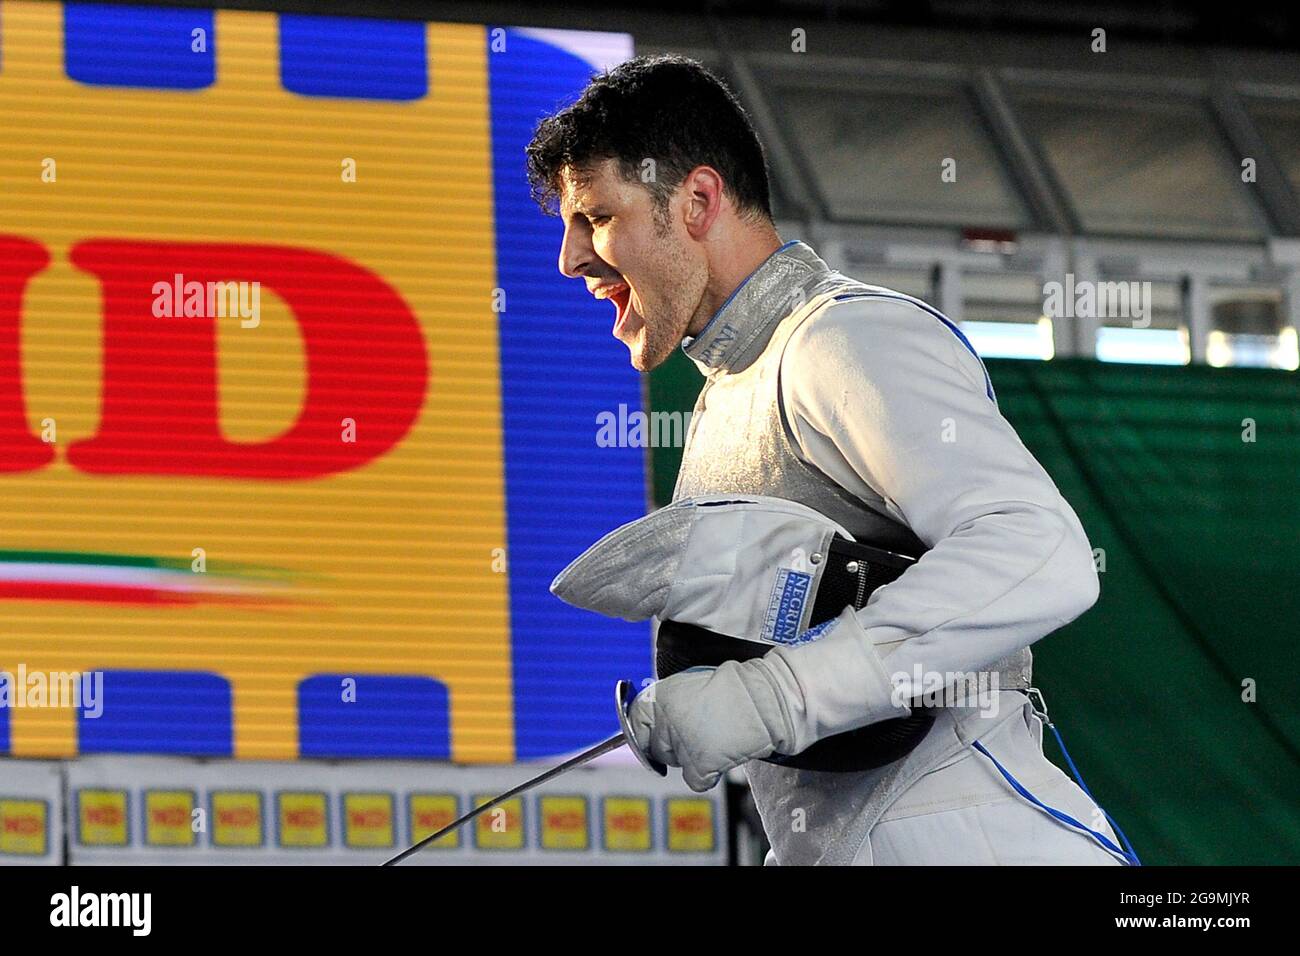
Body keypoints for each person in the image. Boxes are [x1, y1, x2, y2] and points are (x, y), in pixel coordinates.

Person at [526, 54, 1130, 865]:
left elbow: (1041, 551)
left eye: (595, 216)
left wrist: (772, 697)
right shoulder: (727, 395)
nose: (571, 258)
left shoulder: (839, 338)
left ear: (698, 200)